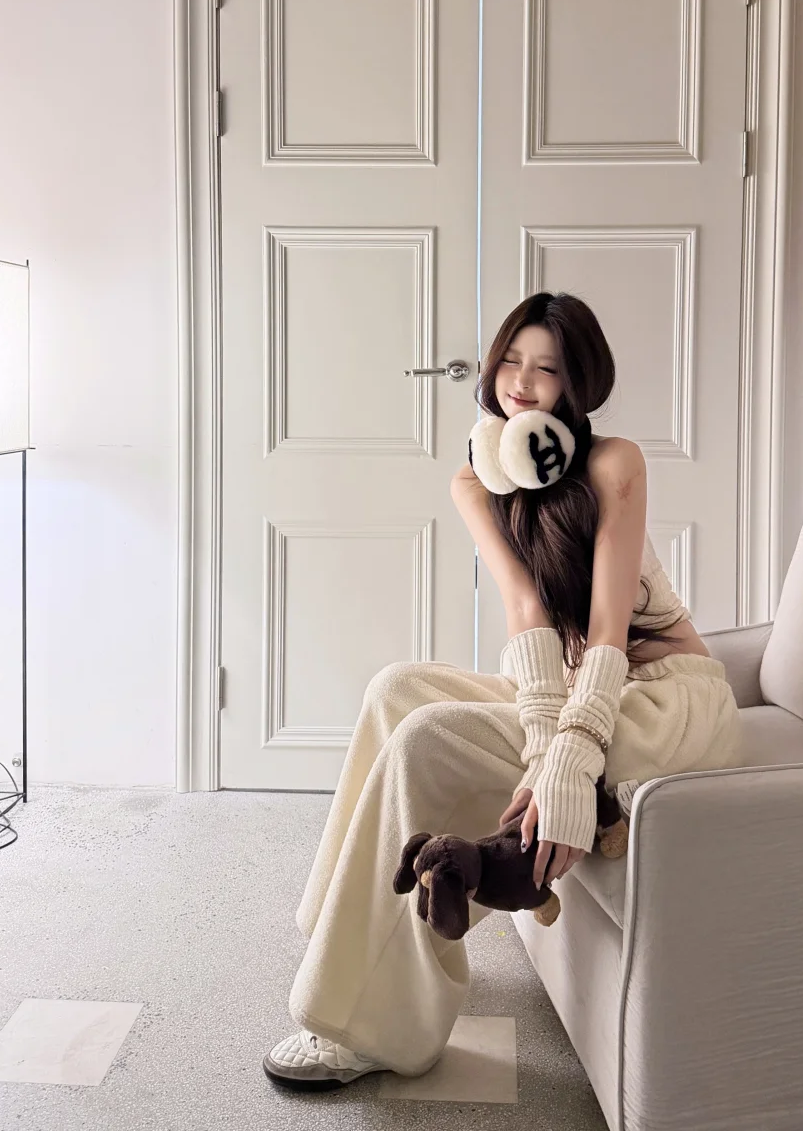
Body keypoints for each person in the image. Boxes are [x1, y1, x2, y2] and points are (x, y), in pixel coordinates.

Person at [263, 291, 744, 1090]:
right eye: (511, 361)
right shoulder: (475, 479)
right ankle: (344, 936)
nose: (522, 382)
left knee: (428, 741)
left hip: (666, 703)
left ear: (577, 385)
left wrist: (569, 755)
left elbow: (607, 629)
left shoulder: (615, 463)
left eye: (546, 369)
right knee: (398, 691)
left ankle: (365, 1026)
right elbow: (527, 612)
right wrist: (541, 739)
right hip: (582, 683)